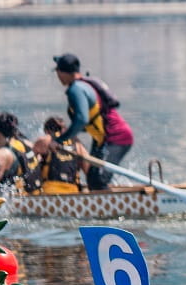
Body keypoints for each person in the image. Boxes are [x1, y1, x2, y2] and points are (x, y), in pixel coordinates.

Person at [52, 53, 132, 189]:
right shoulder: (82, 85)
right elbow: (87, 121)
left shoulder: (76, 89)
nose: (57, 75)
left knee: (98, 180)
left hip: (116, 137)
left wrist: (59, 140)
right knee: (92, 179)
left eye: (58, 71)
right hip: (103, 139)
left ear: (63, 72)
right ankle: (105, 203)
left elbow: (82, 119)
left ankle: (116, 206)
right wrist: (70, 132)